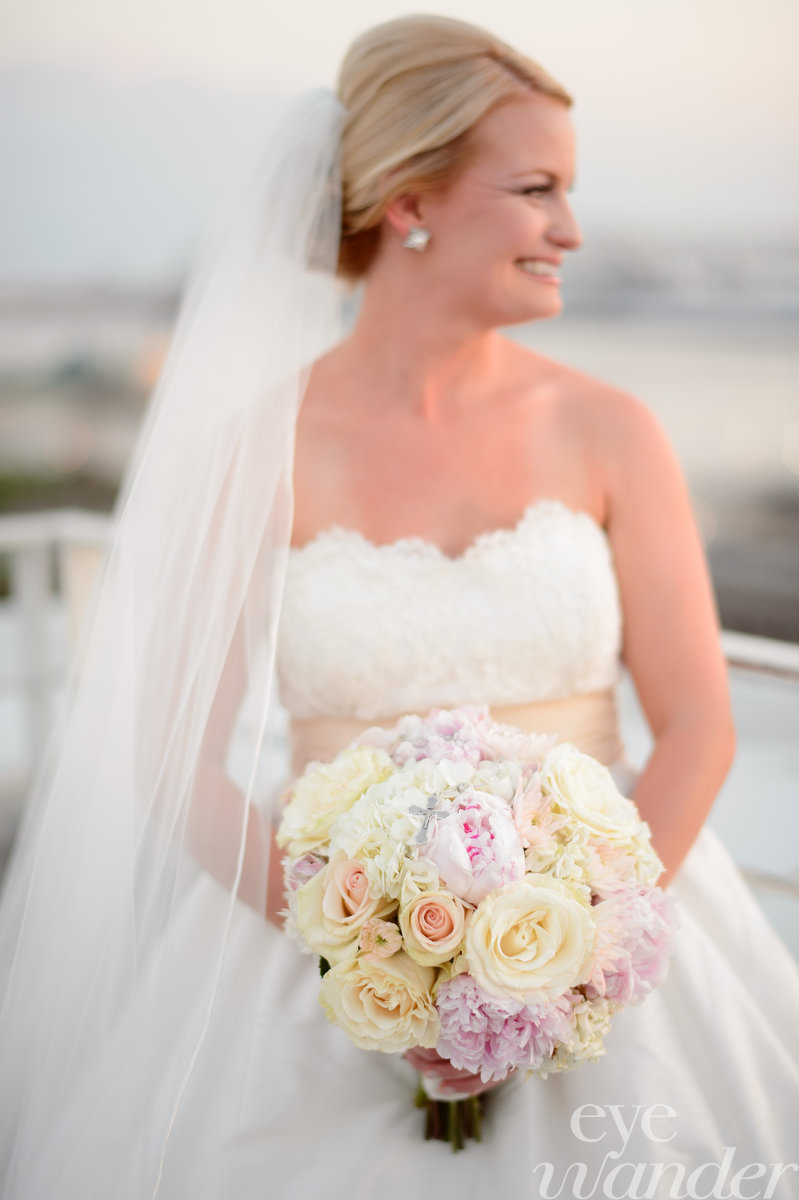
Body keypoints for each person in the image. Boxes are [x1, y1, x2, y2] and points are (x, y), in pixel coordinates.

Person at [1, 14, 798, 1200]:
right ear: (409, 202)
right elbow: (176, 755)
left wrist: (571, 955)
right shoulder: (254, 449)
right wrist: (369, 954)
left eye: (568, 191)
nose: (571, 231)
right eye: (535, 190)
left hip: (615, 940)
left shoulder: (612, 431)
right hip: (313, 955)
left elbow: (697, 724)